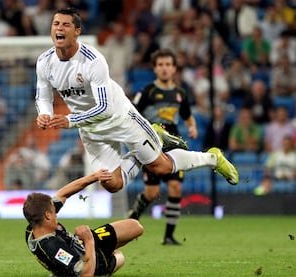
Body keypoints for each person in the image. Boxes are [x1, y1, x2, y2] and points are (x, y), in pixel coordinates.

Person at [35, 8, 239, 196]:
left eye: (65, 24)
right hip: (90, 129)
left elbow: (104, 109)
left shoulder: (92, 61)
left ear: (77, 31)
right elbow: (43, 96)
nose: (59, 28)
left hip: (119, 117)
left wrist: (69, 121)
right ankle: (152, 141)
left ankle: (212, 158)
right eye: (55, 24)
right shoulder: (45, 62)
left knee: (161, 167)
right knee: (111, 184)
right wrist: (44, 113)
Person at [127, 49, 197, 245]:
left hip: (174, 145)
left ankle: (168, 236)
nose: (164, 68)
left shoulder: (180, 93)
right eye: (160, 65)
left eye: (168, 64)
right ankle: (132, 220)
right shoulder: (147, 92)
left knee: (175, 188)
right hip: (151, 146)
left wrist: (192, 127)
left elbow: (187, 115)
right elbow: (131, 114)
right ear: (155, 68)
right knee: (151, 193)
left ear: (174, 68)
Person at [23, 169, 144, 276]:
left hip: (80, 242)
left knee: (135, 226)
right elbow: (86, 273)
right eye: (54, 212)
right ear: (47, 215)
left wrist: (95, 177)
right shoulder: (53, 248)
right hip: (92, 262)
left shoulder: (34, 225)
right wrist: (89, 240)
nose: (56, 215)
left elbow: (63, 193)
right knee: (120, 256)